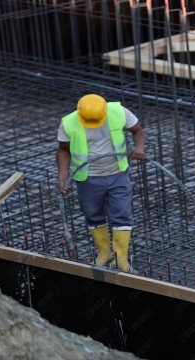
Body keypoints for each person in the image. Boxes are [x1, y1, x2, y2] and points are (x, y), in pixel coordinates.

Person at [56, 94, 145, 272]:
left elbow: (138, 131)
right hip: (88, 178)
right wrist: (63, 176)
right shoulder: (68, 123)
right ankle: (105, 254)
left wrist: (139, 148)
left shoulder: (119, 112)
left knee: (122, 214)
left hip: (117, 173)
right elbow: (63, 150)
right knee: (93, 214)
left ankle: (121, 260)